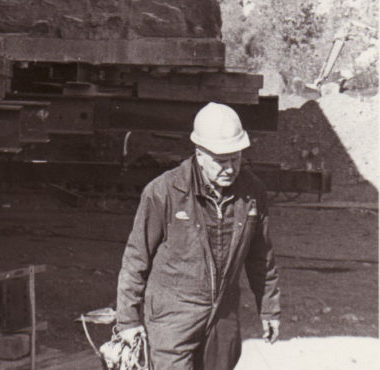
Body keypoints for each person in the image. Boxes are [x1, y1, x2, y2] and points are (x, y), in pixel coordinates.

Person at [115, 102, 280, 370]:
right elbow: (136, 259)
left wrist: (270, 309)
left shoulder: (252, 192)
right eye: (221, 161)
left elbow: (261, 257)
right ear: (199, 153)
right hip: (173, 316)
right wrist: (128, 320)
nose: (230, 168)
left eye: (236, 158)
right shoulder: (164, 192)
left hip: (223, 314)